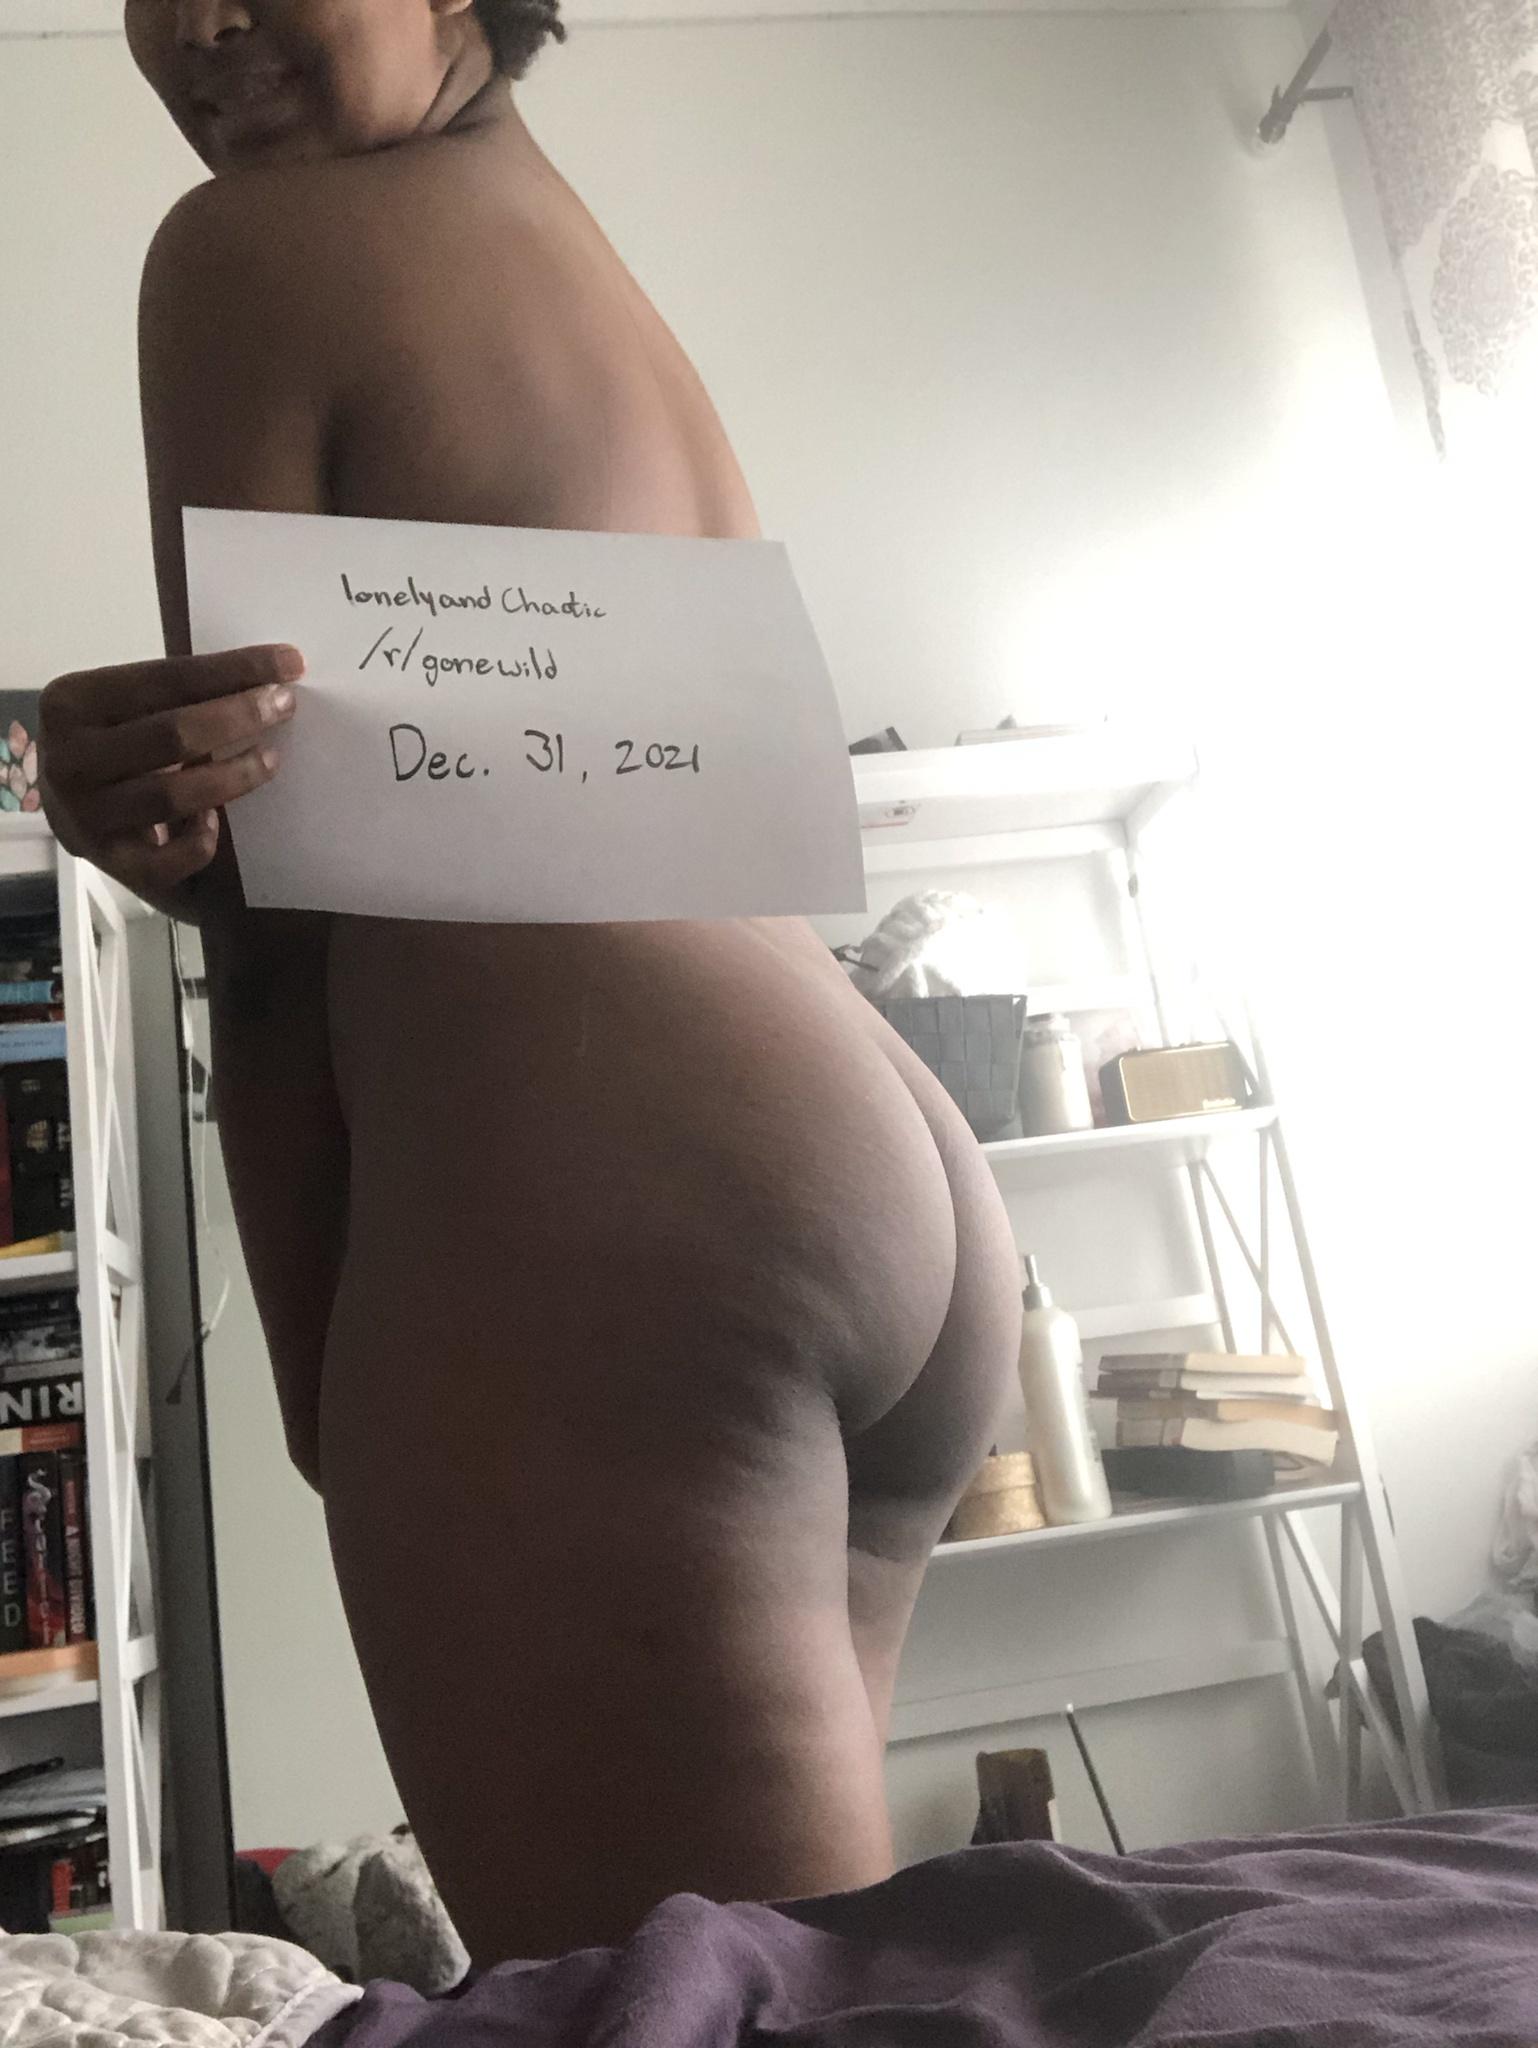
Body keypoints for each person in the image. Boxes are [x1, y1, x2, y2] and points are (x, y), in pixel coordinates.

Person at [39, 0, 1020, 1962]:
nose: (199, 19)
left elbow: (277, 909)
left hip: (614, 1196)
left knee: (691, 2010)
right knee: (815, 1985)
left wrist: (334, 1386)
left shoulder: (245, 249)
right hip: (874, 1162)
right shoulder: (572, 257)